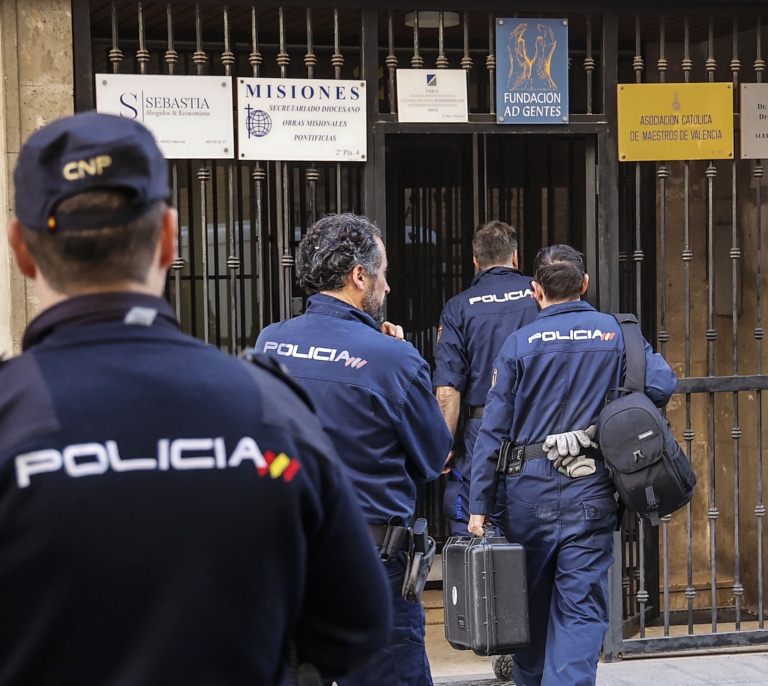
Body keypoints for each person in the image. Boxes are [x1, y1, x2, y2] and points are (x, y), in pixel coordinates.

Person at [0, 111, 391, 686]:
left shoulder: (10, 419)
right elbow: (356, 628)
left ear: (21, 250)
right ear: (167, 239)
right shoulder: (269, 409)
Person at [254, 213, 453, 686]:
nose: (387, 287)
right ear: (359, 276)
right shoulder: (392, 356)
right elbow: (431, 458)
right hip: (369, 568)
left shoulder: (270, 341)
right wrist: (407, 363)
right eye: (382, 273)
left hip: (291, 557)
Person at [468, 244, 677, 686]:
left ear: (535, 291)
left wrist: (478, 505)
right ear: (584, 285)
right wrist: (605, 425)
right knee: (581, 608)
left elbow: (493, 431)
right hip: (592, 487)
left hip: (527, 492)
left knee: (527, 605)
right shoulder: (616, 333)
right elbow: (661, 382)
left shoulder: (518, 343)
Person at [433, 220, 537, 536]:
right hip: (538, 426)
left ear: (476, 262)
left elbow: (448, 390)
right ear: (515, 257)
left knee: (477, 542)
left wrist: (444, 447)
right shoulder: (541, 295)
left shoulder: (458, 308)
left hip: (481, 433)